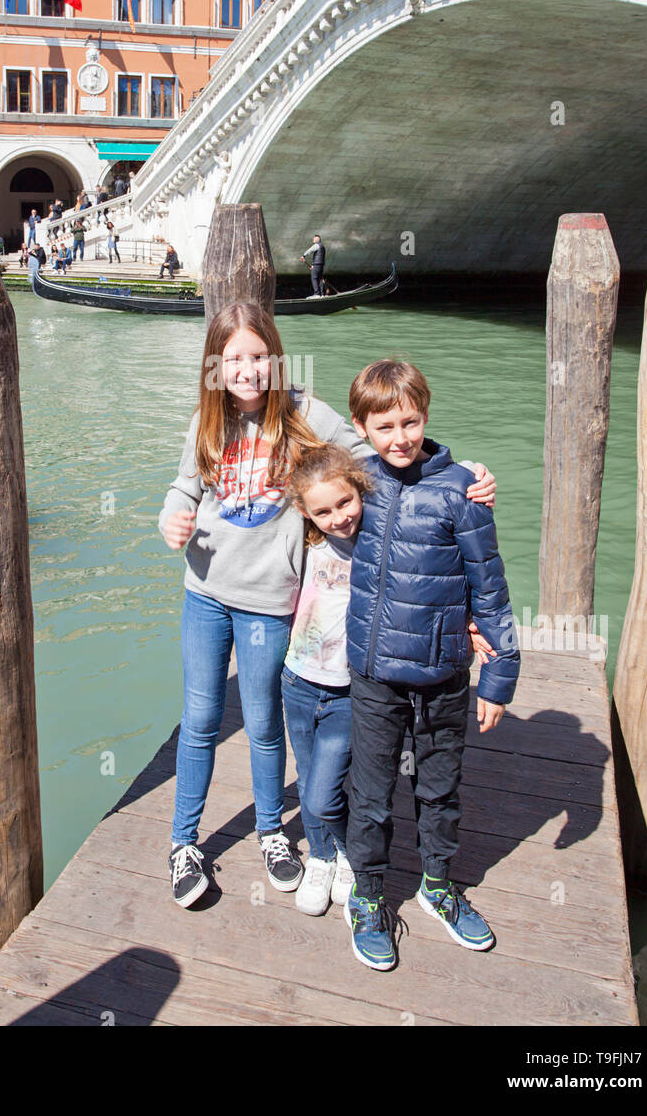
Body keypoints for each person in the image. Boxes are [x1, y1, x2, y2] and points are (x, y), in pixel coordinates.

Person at [158, 309, 499, 911]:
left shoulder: (306, 415)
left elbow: (382, 451)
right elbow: (187, 485)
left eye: (258, 356)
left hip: (269, 602)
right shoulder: (205, 423)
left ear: (277, 357)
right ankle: (185, 842)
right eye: (233, 358)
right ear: (214, 366)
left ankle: (270, 832)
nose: (247, 369)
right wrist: (172, 515)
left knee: (263, 724)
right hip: (206, 591)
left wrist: (462, 473)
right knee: (202, 717)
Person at [343, 359, 520, 970]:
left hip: (445, 673)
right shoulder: (356, 483)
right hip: (373, 675)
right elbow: (302, 489)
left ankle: (437, 887)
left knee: (439, 788)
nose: (400, 437)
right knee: (369, 791)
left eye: (410, 421)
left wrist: (499, 676)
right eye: (384, 425)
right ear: (361, 428)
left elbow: (490, 588)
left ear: (426, 415)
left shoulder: (462, 491)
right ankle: (367, 897)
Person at [282, 443, 495, 917]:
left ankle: (354, 861)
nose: (338, 517)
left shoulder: (377, 535)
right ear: (304, 511)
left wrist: (470, 475)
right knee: (312, 778)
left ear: (360, 492)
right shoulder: (306, 536)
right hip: (298, 679)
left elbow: (428, 544)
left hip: (352, 684)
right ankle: (325, 857)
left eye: (345, 502)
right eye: (323, 510)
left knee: (330, 791)